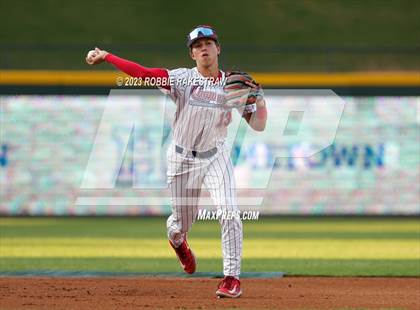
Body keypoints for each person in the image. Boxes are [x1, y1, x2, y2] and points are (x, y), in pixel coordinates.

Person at [86, 25, 267, 298]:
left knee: (230, 212)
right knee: (181, 223)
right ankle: (177, 240)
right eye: (197, 46)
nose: (203, 48)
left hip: (216, 155)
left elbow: (259, 126)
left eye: (208, 43)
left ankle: (231, 278)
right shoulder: (182, 79)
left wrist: (258, 102)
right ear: (192, 54)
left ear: (218, 48)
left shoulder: (234, 85)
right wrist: (108, 56)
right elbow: (144, 74)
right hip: (182, 159)